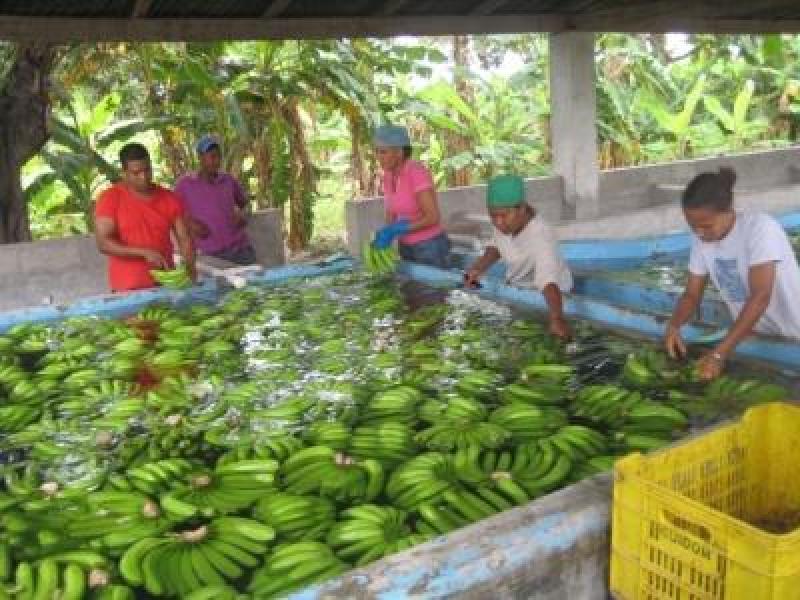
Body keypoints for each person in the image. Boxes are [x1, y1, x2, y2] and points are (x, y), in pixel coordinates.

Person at [665, 167, 800, 380]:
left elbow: (761, 296)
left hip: (794, 334)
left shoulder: (760, 228)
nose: (700, 233)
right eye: (694, 227)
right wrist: (674, 326)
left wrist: (719, 355)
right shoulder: (701, 241)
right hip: (753, 336)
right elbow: (691, 295)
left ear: (728, 210)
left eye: (707, 226)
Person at [464, 175, 573, 339]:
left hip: (549, 298)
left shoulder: (540, 235)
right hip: (520, 290)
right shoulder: (504, 225)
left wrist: (556, 318)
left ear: (522, 209)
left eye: (504, 215)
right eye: (493, 216)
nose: (498, 222)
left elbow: (548, 282)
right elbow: (495, 247)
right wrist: (478, 267)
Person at [95, 142, 195, 292]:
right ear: (124, 172)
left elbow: (184, 238)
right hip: (127, 290)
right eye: (136, 173)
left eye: (147, 170)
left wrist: (188, 267)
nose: (144, 177)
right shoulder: (110, 198)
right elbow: (103, 243)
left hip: (166, 283)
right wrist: (143, 252)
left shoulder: (169, 198)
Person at [372, 124, 450, 268]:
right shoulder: (388, 175)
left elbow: (433, 217)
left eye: (383, 152)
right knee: (411, 289)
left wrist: (399, 228)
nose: (378, 157)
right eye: (376, 152)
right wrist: (386, 232)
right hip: (405, 246)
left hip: (429, 246)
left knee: (432, 290)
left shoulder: (416, 172)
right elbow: (391, 211)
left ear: (399, 152)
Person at [175, 135, 256, 265]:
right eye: (212, 156)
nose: (216, 161)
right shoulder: (185, 184)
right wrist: (189, 224)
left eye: (218, 156)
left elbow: (245, 204)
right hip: (209, 254)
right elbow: (172, 213)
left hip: (240, 249)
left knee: (255, 283)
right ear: (200, 158)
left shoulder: (228, 180)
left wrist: (243, 214)